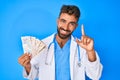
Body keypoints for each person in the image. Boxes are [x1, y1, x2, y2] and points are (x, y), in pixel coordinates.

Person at [18, 5, 103, 80]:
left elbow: (95, 76)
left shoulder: (82, 47)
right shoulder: (42, 45)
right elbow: (33, 76)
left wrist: (90, 51)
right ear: (57, 21)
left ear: (76, 26)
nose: (66, 27)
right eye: (63, 21)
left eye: (71, 23)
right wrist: (27, 66)